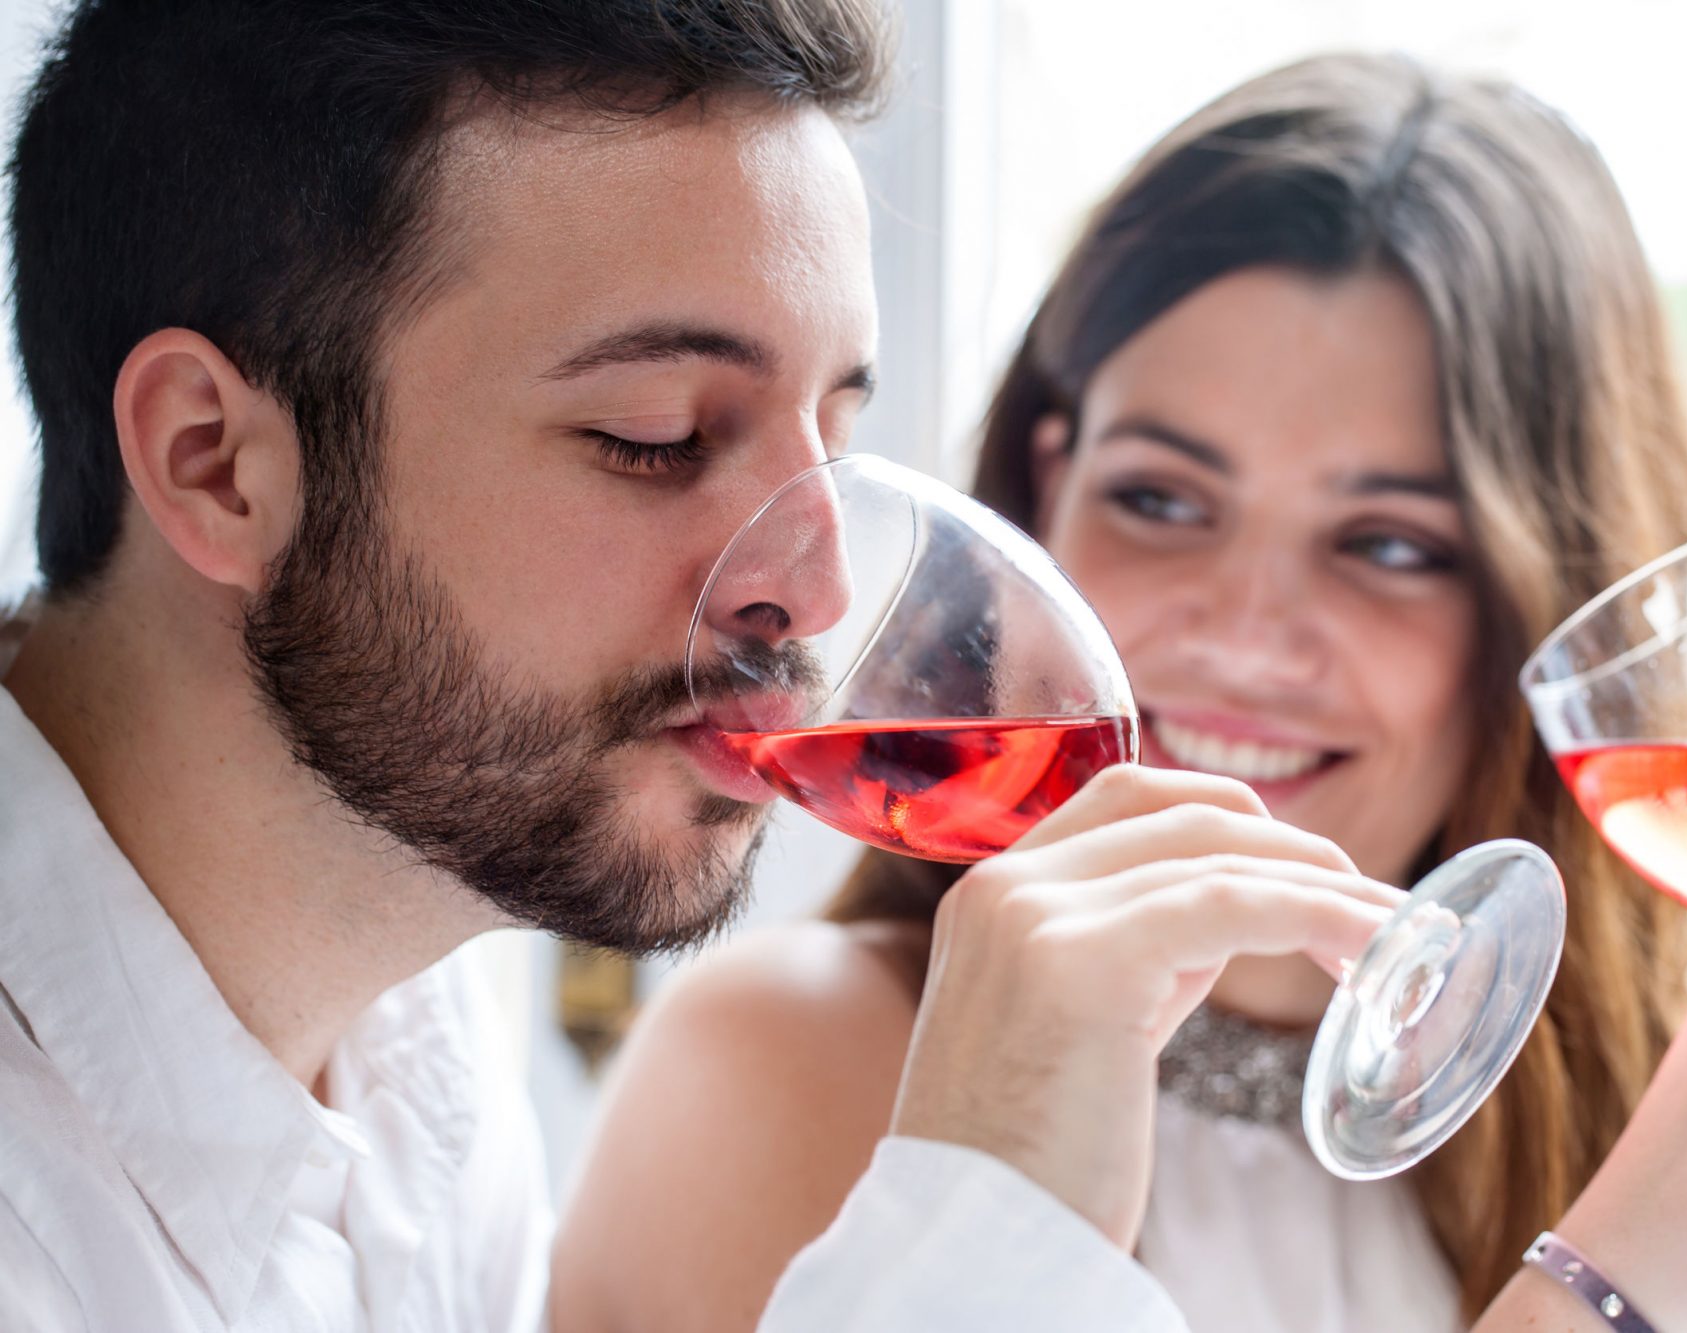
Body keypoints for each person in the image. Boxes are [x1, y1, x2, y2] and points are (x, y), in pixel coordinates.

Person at [0, 4, 1440, 1330]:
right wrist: (987, 1215)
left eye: (835, 441)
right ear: (216, 463)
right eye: (660, 437)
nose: (817, 592)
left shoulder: (413, 1045)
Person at [557, 52, 1687, 1333]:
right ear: (1047, 493)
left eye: (1389, 546)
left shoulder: (1647, 1107)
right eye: (1162, 500)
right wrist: (1628, 1284)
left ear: (1539, 615)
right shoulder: (797, 1069)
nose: (1247, 635)